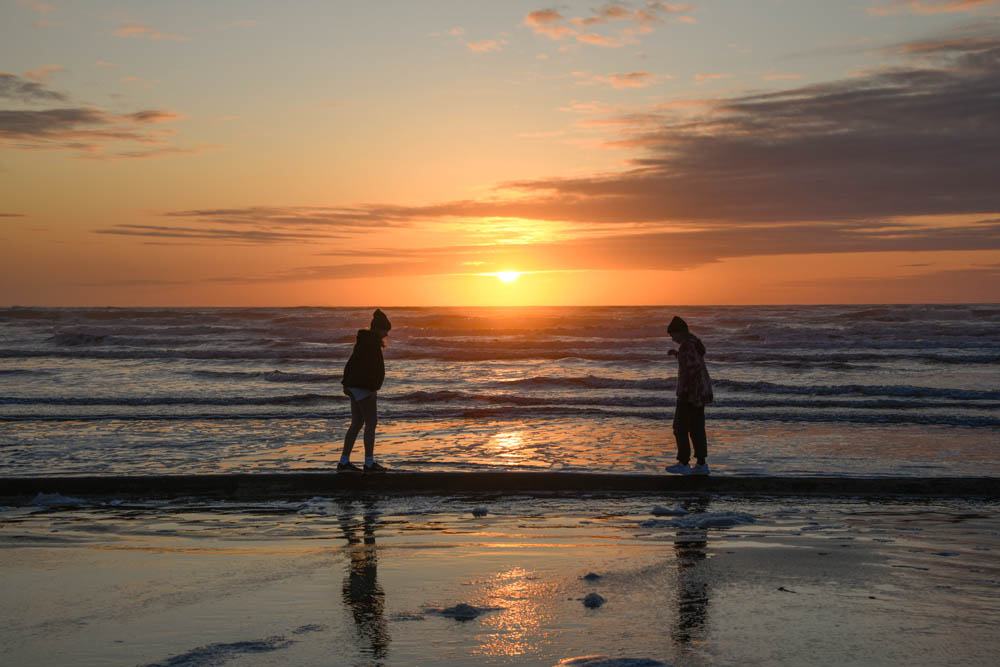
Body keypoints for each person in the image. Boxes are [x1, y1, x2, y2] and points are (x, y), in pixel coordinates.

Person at [339, 309, 391, 473]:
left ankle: (344, 462)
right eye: (385, 330)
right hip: (363, 388)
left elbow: (351, 363)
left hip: (356, 386)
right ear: (378, 329)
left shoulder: (364, 342)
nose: (387, 334)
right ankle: (369, 463)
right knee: (371, 423)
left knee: (356, 424)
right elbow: (370, 369)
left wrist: (346, 384)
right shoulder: (371, 344)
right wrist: (373, 388)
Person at [665, 315, 714, 476]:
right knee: (696, 428)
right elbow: (692, 363)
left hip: (690, 393)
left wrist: (686, 393)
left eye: (673, 335)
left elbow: (691, 371)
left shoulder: (686, 346)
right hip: (700, 392)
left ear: (680, 332)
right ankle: (701, 464)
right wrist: (677, 354)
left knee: (680, 427)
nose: (673, 339)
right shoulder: (693, 344)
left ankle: (684, 463)